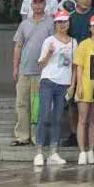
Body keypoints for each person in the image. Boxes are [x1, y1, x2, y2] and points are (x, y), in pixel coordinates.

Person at [11, 0, 53, 147]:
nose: (38, 5)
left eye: (41, 2)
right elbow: (18, 46)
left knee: (38, 106)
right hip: (24, 70)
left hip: (42, 72)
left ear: (45, 4)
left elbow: (54, 46)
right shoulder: (24, 24)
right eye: (35, 2)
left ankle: (37, 137)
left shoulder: (51, 23)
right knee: (21, 104)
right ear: (31, 5)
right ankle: (22, 136)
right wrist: (15, 67)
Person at [34, 9, 75, 167]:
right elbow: (41, 64)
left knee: (57, 118)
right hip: (48, 81)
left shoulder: (73, 42)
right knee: (44, 115)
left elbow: (75, 66)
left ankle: (53, 152)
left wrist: (72, 85)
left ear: (69, 23)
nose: (62, 24)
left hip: (64, 84)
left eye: (65, 21)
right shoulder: (49, 41)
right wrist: (49, 53)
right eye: (59, 22)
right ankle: (39, 152)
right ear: (55, 24)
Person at [72, 13, 94, 165]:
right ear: (90, 28)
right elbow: (79, 67)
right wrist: (78, 86)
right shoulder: (84, 44)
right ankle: (82, 151)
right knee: (82, 119)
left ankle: (91, 150)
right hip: (85, 85)